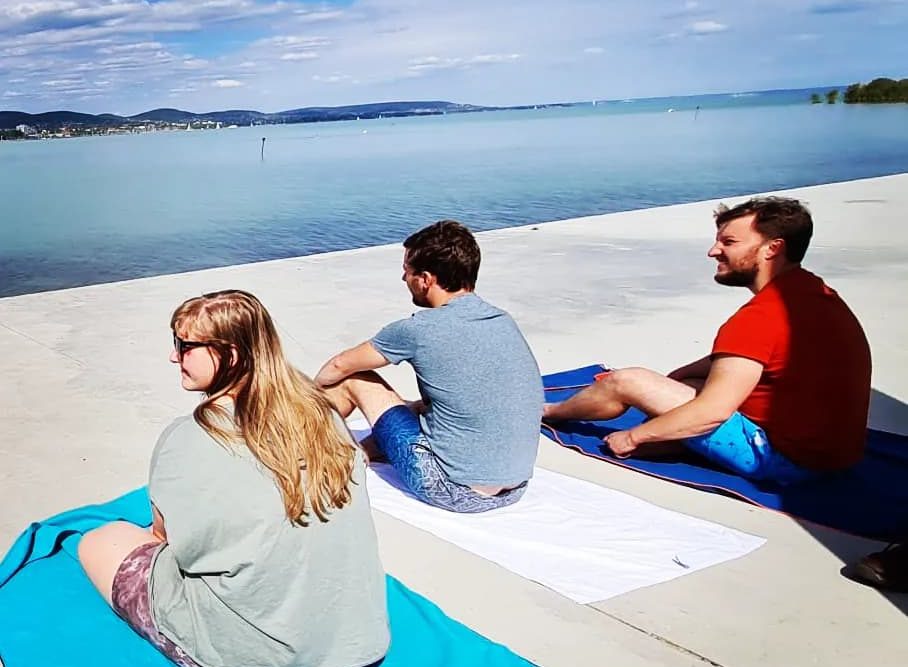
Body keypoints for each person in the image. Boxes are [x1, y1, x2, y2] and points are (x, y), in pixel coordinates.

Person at [78, 290, 389, 667]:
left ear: (231, 354)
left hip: (262, 654)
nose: (174, 355)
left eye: (186, 346)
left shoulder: (191, 436)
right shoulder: (321, 414)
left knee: (103, 540)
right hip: (358, 645)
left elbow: (165, 539)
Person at [544, 197, 872, 484]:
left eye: (729, 242)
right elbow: (742, 359)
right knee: (686, 381)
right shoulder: (813, 294)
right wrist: (675, 381)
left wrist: (634, 436)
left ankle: (551, 410)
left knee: (627, 381)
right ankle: (673, 433)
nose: (714, 251)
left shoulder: (759, 318)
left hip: (786, 461)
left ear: (773, 248)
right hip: (836, 456)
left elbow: (713, 412)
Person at [315, 220, 543, 513]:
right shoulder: (502, 320)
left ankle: (303, 445)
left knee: (355, 379)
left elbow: (337, 366)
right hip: (515, 486)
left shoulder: (419, 329)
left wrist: (307, 397)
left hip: (453, 489)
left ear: (425, 279)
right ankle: (362, 451)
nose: (403, 278)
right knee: (418, 407)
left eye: (407, 271)